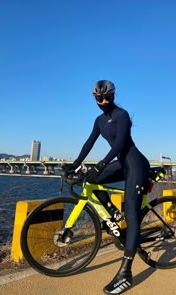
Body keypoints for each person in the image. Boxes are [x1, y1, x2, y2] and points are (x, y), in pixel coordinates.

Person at [66, 80, 150, 294]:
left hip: (136, 164)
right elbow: (89, 142)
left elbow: (121, 143)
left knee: (131, 214)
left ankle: (125, 274)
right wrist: (75, 164)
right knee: (90, 180)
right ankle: (112, 213)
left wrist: (102, 164)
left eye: (107, 98)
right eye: (98, 99)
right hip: (120, 163)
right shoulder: (99, 120)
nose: (103, 102)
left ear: (113, 96)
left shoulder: (122, 115)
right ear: (94, 99)